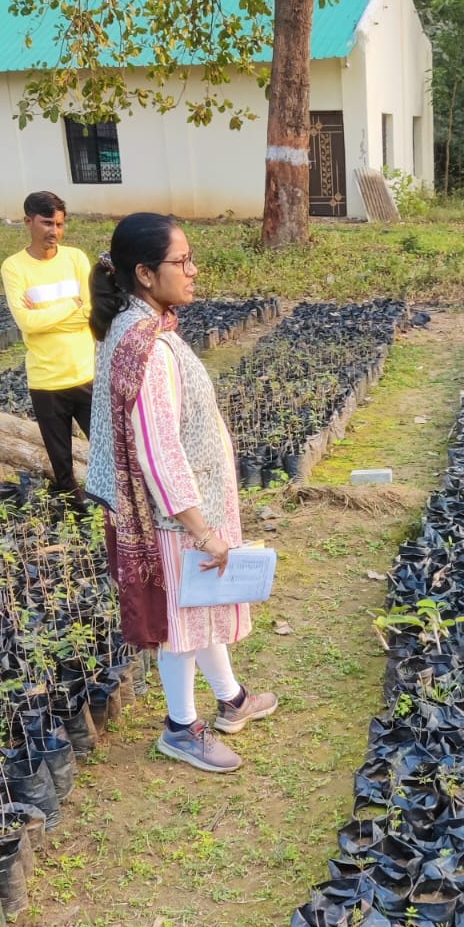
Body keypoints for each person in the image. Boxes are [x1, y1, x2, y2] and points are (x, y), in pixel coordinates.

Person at [86, 212, 277, 774]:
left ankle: (232, 700)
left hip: (180, 512)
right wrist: (202, 529)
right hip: (171, 520)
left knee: (202, 606)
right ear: (145, 273)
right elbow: (158, 451)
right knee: (181, 622)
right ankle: (179, 727)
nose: (193, 271)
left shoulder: (142, 326)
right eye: (182, 261)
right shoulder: (145, 345)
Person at [0, 191, 94, 502]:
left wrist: (46, 316)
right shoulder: (14, 267)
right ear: (28, 222)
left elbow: (93, 312)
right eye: (46, 223)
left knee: (109, 448)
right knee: (61, 462)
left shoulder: (76, 258)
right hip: (46, 380)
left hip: (85, 374)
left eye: (59, 224)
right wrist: (72, 304)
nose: (54, 232)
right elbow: (27, 323)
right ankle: (76, 515)